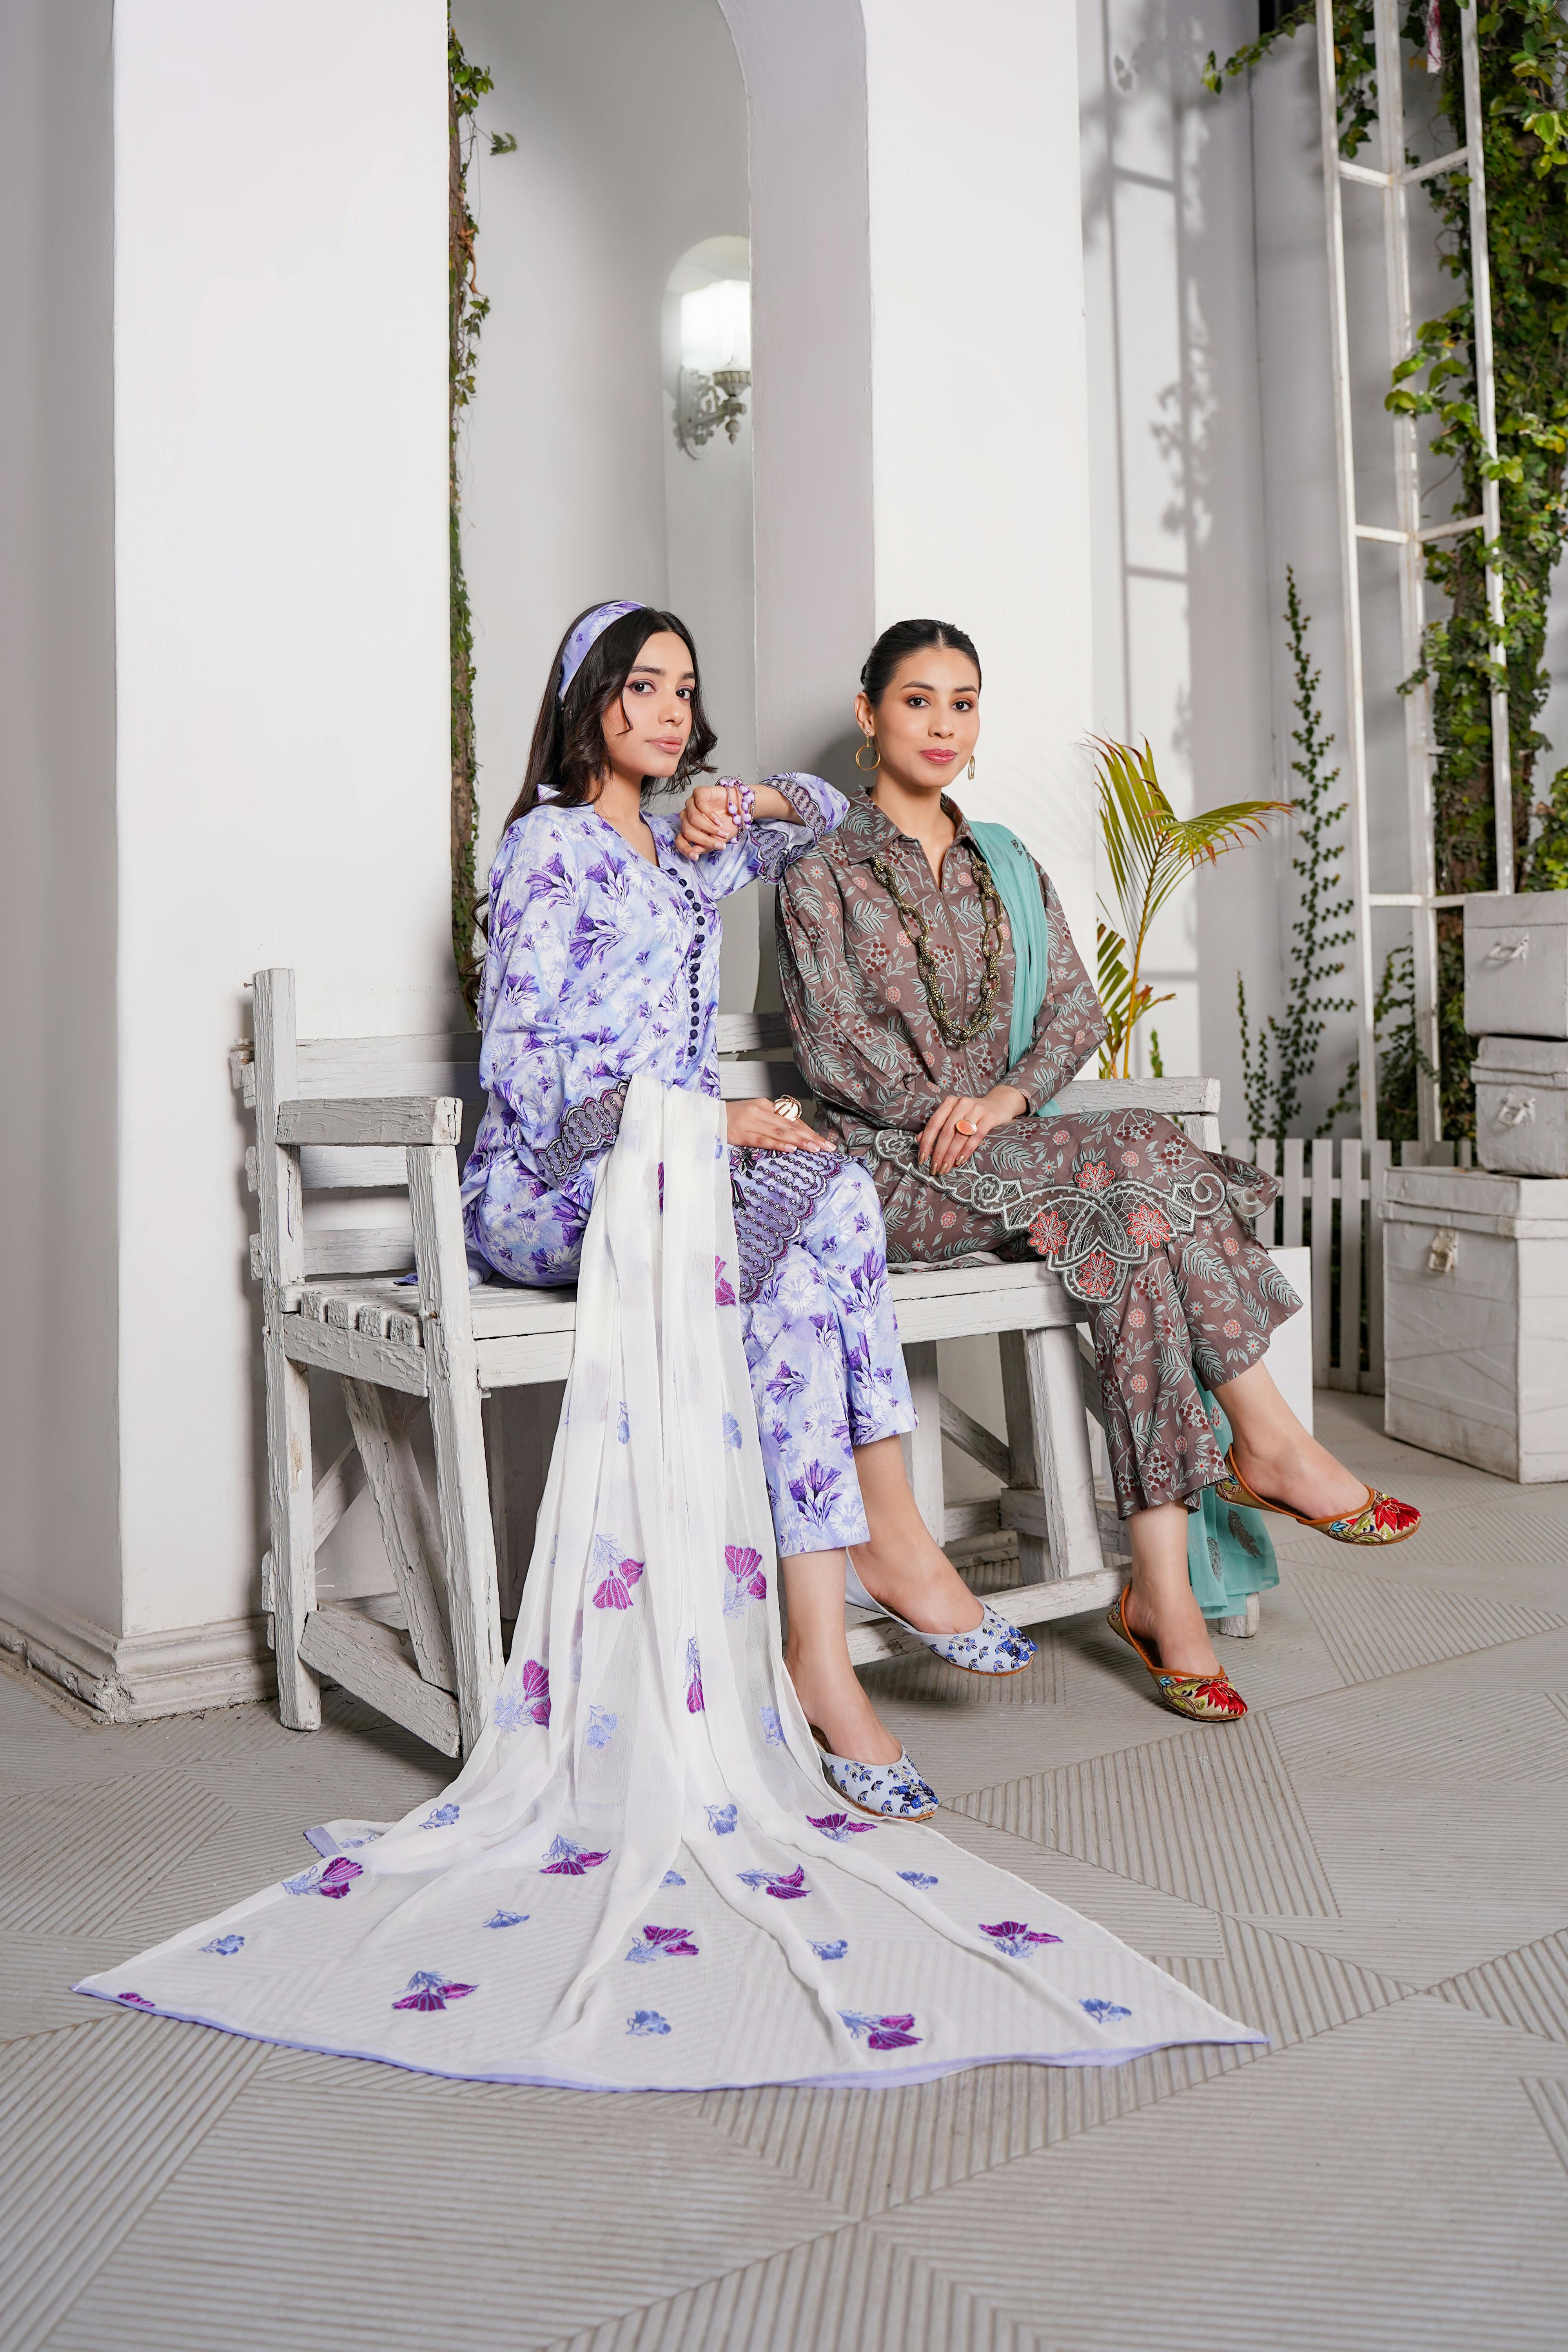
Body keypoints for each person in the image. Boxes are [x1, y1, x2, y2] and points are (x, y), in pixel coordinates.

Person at [777, 617, 1421, 1724]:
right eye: (921, 699)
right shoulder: (819, 869)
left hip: (1023, 1157)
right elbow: (834, 1045)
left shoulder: (1006, 866)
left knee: (1133, 1224)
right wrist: (949, 1112)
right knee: (1137, 1158)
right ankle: (1266, 1440)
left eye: (965, 702)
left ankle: (1161, 1593)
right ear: (869, 714)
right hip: (888, 1173)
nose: (944, 724)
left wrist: (1007, 1100)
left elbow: (1076, 1010)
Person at [459, 602, 1036, 1819]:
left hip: (660, 1168)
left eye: (686, 689)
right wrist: (713, 1122)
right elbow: (525, 1077)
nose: (670, 712)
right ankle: (872, 1567)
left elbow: (832, 816)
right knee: (816, 1197)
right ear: (587, 702)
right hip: (546, 1184)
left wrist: (750, 805)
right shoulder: (546, 850)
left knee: (818, 1215)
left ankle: (831, 1625)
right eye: (643, 687)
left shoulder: (677, 848)